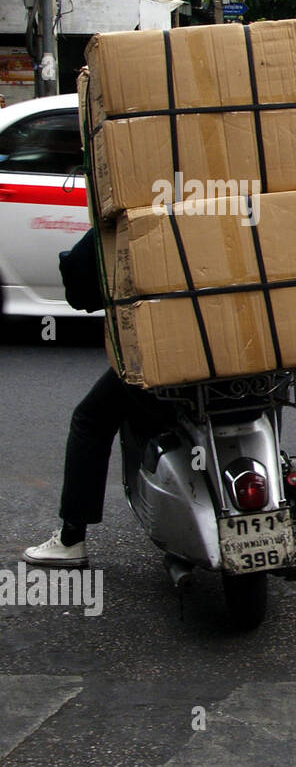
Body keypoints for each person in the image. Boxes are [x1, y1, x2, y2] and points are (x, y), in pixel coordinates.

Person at [24, 229, 172, 567]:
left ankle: (71, 538)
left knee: (90, 419)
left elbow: (79, 275)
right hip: (249, 358)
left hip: (165, 358)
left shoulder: (132, 210)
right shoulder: (236, 198)